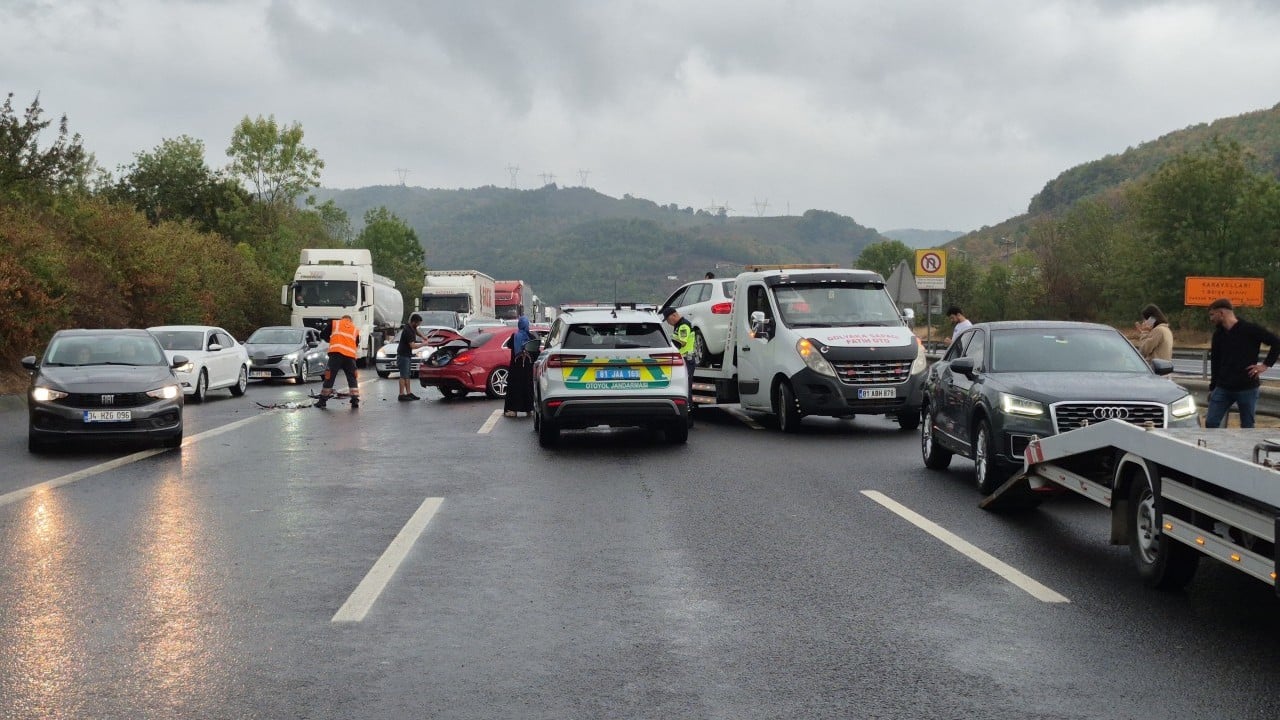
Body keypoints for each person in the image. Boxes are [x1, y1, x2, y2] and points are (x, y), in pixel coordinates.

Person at [1205, 297, 1280, 428]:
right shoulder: (1218, 335)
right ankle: (1214, 447)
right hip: (1223, 387)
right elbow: (1215, 362)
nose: (1211, 319)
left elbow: (1276, 343)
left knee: (1247, 426)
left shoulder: (1250, 329)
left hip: (1247, 387)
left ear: (1221, 313)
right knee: (1211, 422)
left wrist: (1265, 365)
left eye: (1212, 314)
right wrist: (1213, 387)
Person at [316, 314, 360, 409]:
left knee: (329, 376)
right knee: (352, 377)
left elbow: (322, 335)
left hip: (336, 354)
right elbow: (356, 343)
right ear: (350, 321)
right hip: (350, 357)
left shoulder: (335, 323)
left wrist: (331, 339)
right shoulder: (355, 329)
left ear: (342, 319)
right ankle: (355, 399)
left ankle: (322, 400)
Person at [661, 306, 695, 426]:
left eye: (668, 320)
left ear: (674, 315)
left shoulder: (684, 325)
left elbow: (681, 343)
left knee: (687, 389)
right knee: (686, 388)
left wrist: (668, 342)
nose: (669, 323)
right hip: (684, 360)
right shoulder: (679, 325)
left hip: (686, 359)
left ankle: (689, 419)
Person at [504, 305, 536, 417]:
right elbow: (536, 352)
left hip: (516, 369)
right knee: (528, 388)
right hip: (527, 370)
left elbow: (508, 345)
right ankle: (529, 409)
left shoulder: (514, 337)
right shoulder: (531, 337)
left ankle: (513, 410)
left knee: (515, 388)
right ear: (527, 325)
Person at [397, 313, 429, 401]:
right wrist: (424, 344)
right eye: (418, 323)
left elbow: (416, 331)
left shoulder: (410, 327)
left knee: (407, 375)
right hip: (403, 355)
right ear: (414, 322)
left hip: (406, 355)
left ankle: (409, 393)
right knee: (403, 375)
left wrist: (423, 336)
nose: (419, 325)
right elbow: (413, 346)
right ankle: (401, 394)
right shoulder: (408, 331)